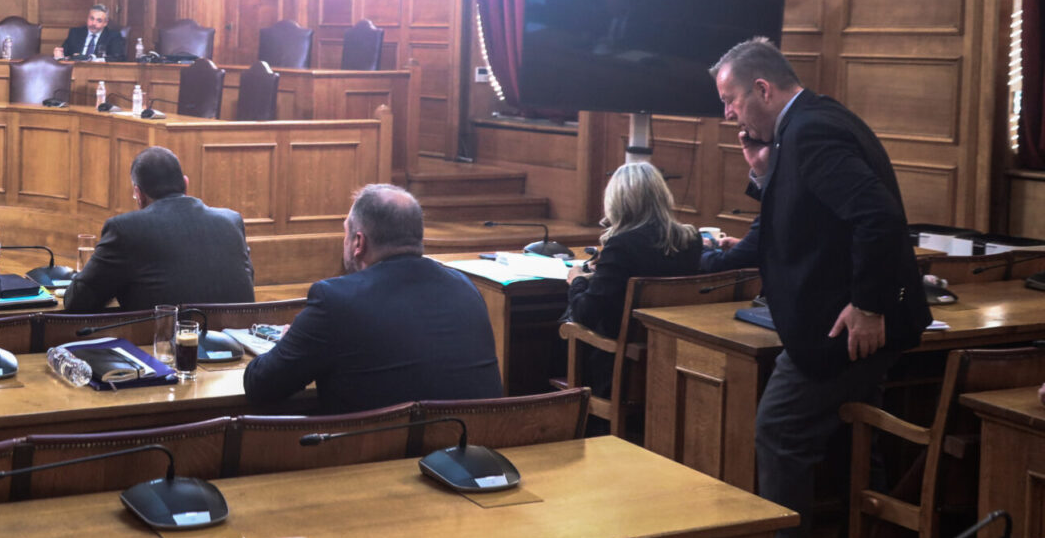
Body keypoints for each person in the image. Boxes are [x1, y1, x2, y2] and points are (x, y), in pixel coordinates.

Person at [708, 37, 926, 538]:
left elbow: (877, 217)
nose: (728, 113)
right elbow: (804, 219)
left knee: (778, 431)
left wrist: (868, 305)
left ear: (762, 89)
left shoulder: (811, 132)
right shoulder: (810, 122)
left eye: (731, 99)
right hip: (841, 326)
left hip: (838, 330)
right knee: (858, 438)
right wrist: (762, 174)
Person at [243, 185, 502, 414]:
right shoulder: (466, 289)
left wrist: (289, 342)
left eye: (345, 233)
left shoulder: (336, 301)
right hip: (473, 449)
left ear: (358, 242)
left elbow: (261, 386)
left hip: (377, 452)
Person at [563, 161, 705, 395]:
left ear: (617, 201)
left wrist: (577, 279)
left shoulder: (621, 245)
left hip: (618, 367)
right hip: (672, 359)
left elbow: (585, 313)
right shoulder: (691, 239)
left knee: (559, 333)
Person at [61, 147, 255, 314]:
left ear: (139, 194)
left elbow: (77, 303)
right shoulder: (232, 220)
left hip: (166, 343)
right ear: (185, 183)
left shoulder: (126, 229)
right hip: (242, 338)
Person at [54, 4, 125, 62]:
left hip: (99, 72)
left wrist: (91, 59)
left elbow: (118, 58)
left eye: (99, 20)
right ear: (87, 18)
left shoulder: (113, 36)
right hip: (75, 70)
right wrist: (59, 55)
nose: (93, 23)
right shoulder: (75, 33)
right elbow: (64, 54)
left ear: (105, 23)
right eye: (91, 18)